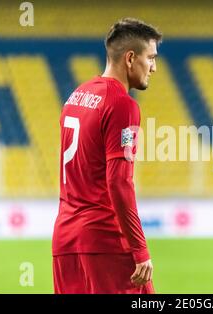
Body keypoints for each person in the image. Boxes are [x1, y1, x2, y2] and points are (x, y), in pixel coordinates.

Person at [52, 17, 162, 294]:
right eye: (151, 58)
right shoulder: (122, 105)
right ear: (130, 58)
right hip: (105, 242)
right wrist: (140, 248)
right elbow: (119, 182)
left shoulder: (77, 96)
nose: (154, 67)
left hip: (65, 241)